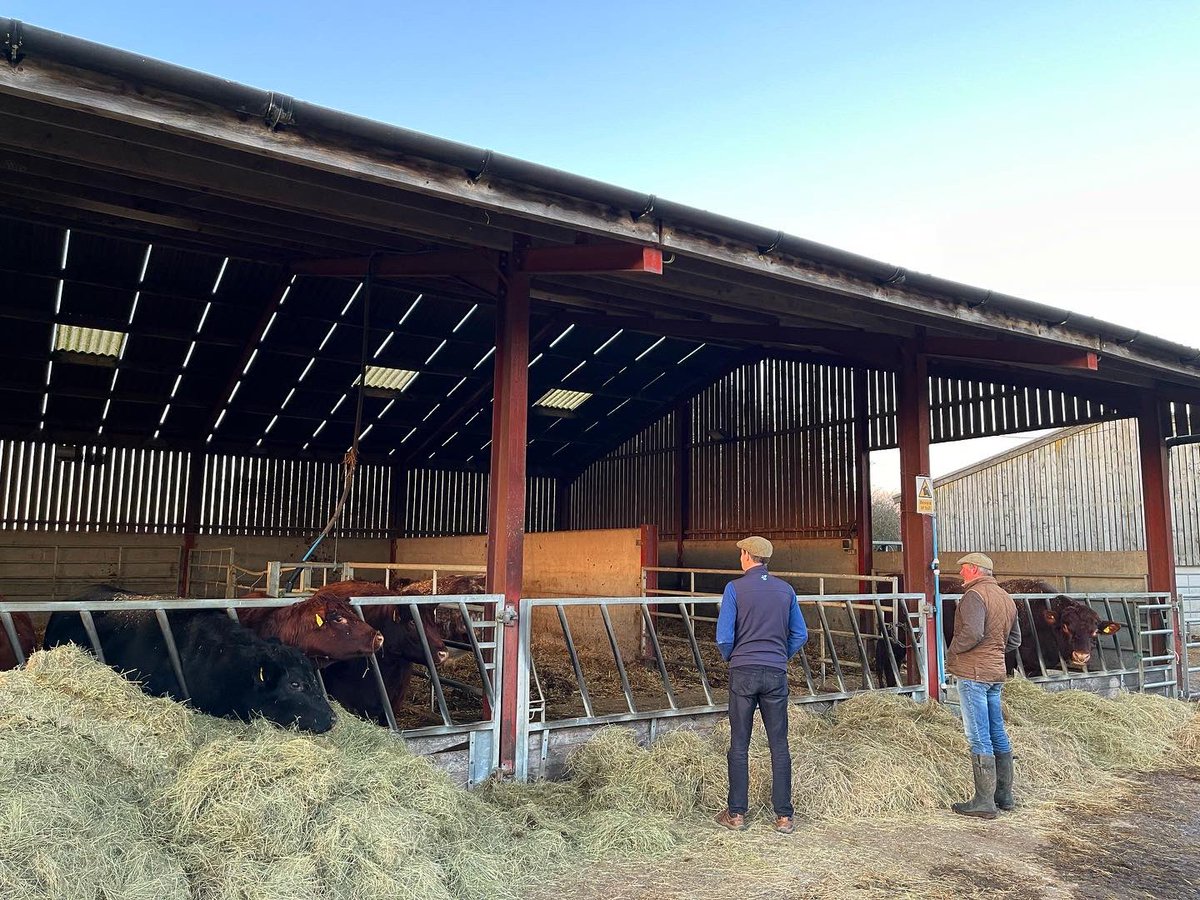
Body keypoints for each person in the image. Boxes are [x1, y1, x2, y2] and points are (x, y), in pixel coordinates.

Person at [713, 536, 808, 834]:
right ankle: (783, 817)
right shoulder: (785, 590)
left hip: (743, 671)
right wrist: (781, 656)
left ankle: (737, 814)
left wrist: (735, 657)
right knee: (779, 744)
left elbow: (724, 637)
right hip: (775, 673)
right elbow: (800, 634)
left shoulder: (734, 589)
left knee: (739, 742)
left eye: (740, 553)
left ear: (746, 556)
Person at [945, 552, 1021, 819]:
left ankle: (983, 801)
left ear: (975, 570)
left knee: (978, 734)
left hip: (973, 672)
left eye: (964, 568)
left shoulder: (974, 597)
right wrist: (995, 652)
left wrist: (953, 652)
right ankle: (1005, 796)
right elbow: (1015, 640)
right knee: (997, 731)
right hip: (995, 673)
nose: (961, 573)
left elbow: (972, 632)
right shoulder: (1006, 598)